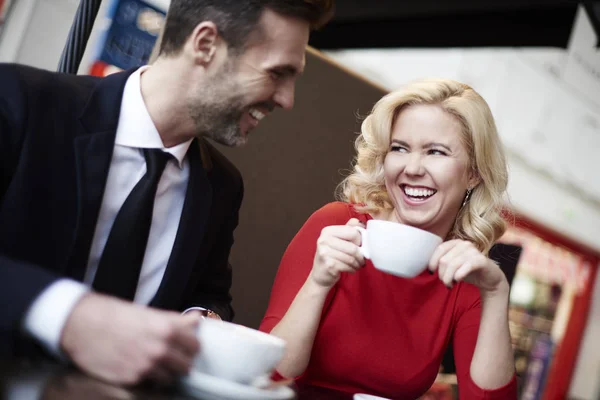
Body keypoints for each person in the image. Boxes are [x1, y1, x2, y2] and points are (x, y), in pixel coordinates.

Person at [0, 0, 334, 386]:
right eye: (278, 73)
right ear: (205, 44)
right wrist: (71, 315)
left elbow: (209, 295)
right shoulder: (19, 103)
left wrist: (200, 318)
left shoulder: (221, 187)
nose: (287, 100)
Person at [259, 79, 517, 399]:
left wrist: (496, 293)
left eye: (436, 152)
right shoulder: (337, 226)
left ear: (474, 173)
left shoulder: (467, 277)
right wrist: (319, 282)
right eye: (399, 148)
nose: (412, 168)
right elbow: (266, 374)